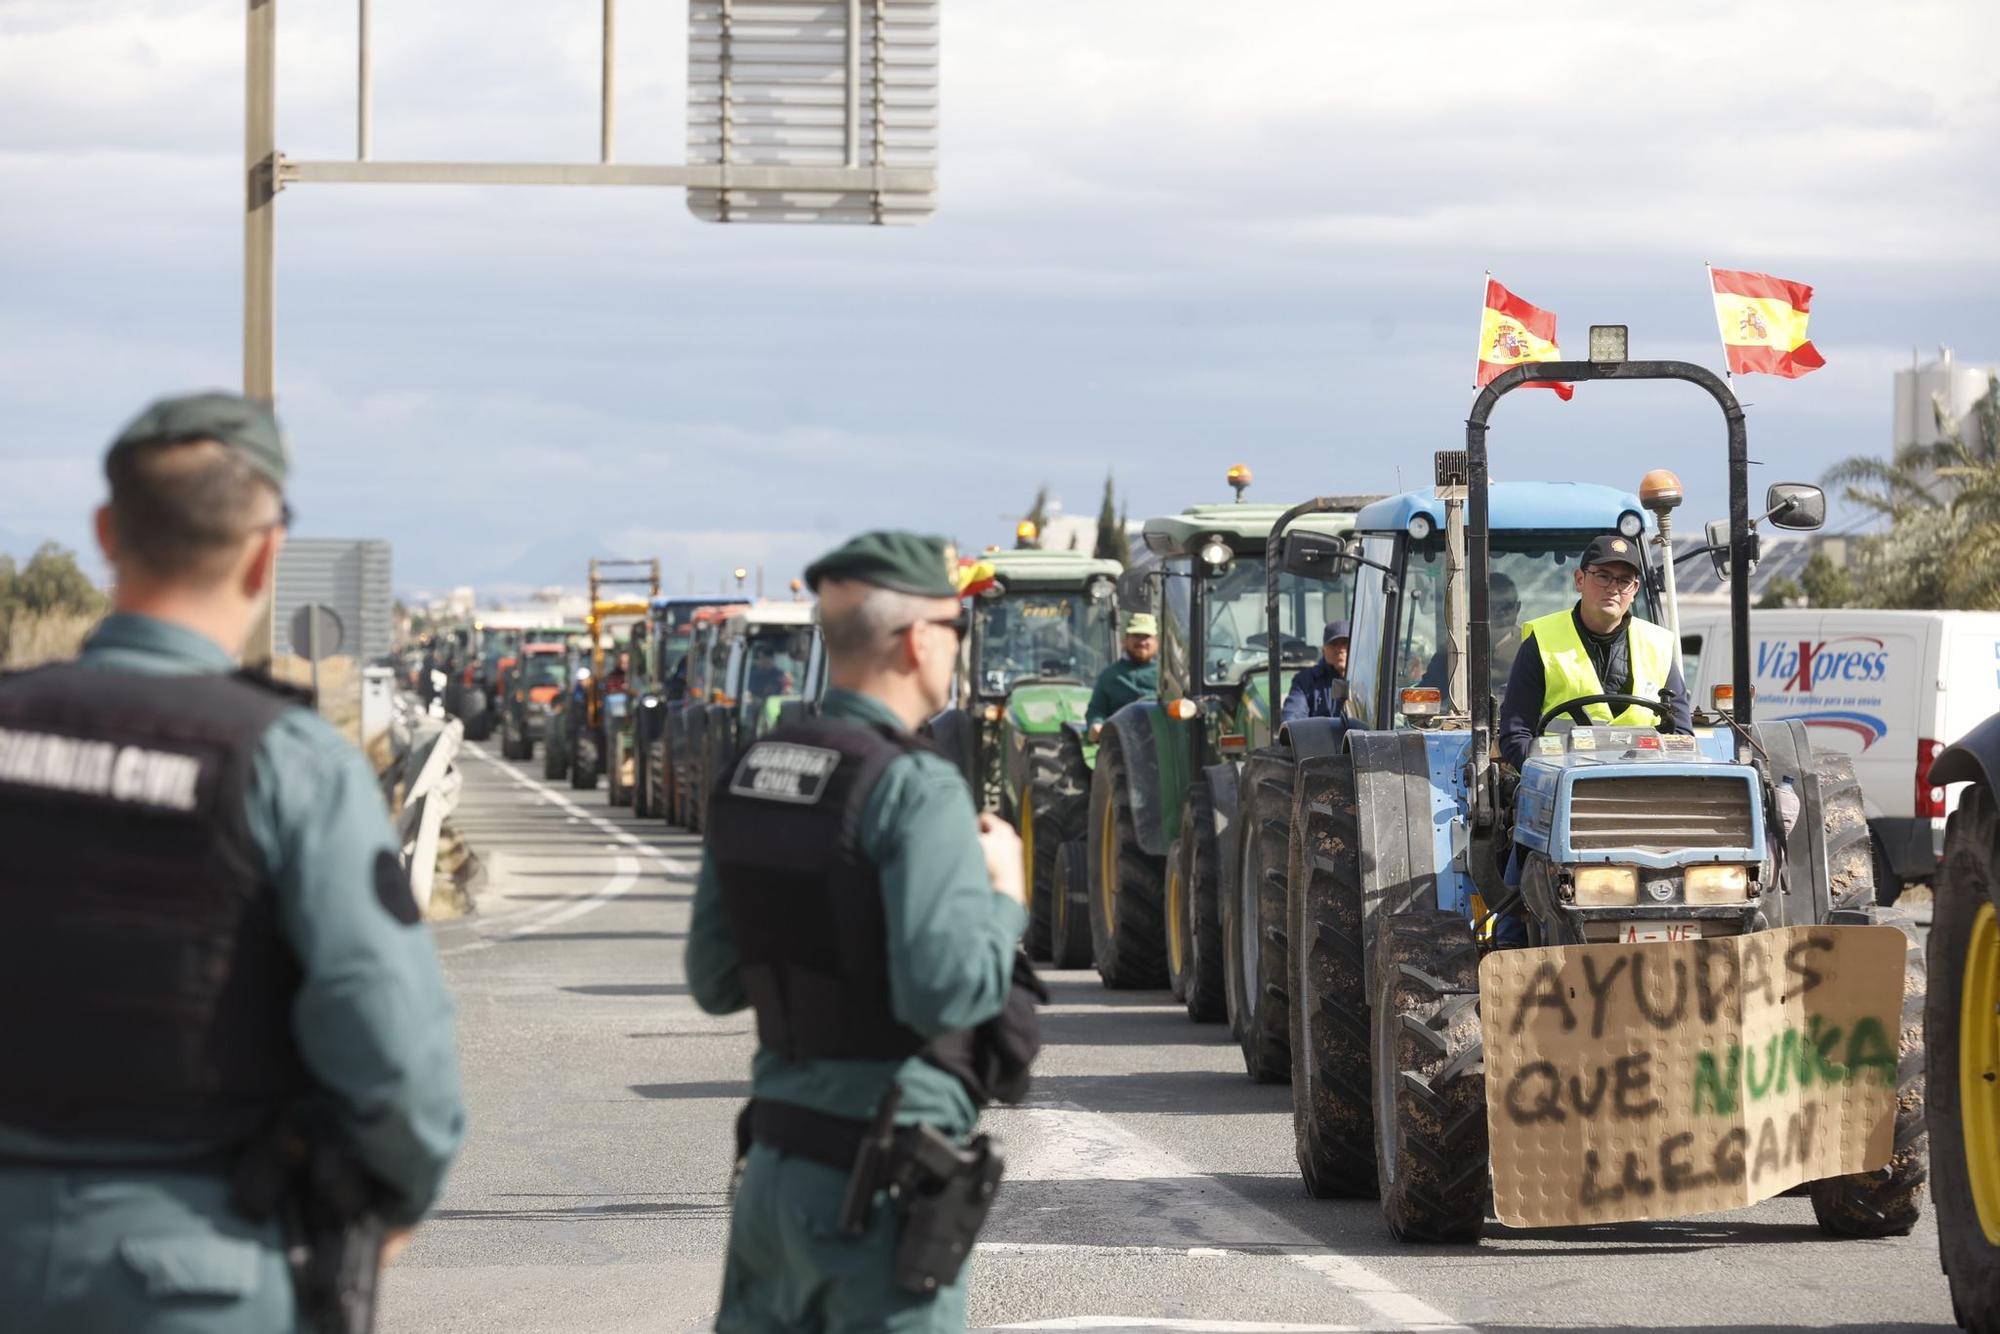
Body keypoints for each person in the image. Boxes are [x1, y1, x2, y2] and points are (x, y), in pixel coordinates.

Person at [0, 392, 465, 1333]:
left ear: (104, 531)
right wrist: (394, 1198)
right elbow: (391, 1045)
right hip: (192, 1272)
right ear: (266, 553)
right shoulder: (287, 760)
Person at [687, 530, 1031, 1333]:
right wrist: (1005, 897)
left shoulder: (751, 769)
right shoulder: (916, 786)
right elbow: (941, 988)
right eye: (959, 630)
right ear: (918, 640)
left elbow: (715, 980)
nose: (958, 649)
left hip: (774, 1170)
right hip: (880, 1185)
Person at [1496, 534, 1692, 768]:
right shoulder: (1541, 642)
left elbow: (1681, 736)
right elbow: (1516, 736)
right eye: (1603, 576)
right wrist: (1550, 774)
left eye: (1623, 580)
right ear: (1580, 580)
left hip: (1642, 787)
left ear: (1635, 589)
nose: (1613, 588)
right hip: (1561, 787)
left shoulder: (1657, 644)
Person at [1085, 612, 1159, 739]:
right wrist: (1096, 724)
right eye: (1136, 636)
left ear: (1156, 641)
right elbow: (1096, 709)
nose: (1141, 642)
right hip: (1121, 740)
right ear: (1125, 640)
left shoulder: (1166, 675)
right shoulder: (1110, 675)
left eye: (1146, 637)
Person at [1281, 619, 1349, 723]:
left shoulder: (1367, 681)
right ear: (1323, 651)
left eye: (1345, 643)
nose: (1340, 650)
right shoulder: (1305, 682)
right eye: (1334, 644)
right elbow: (1292, 718)